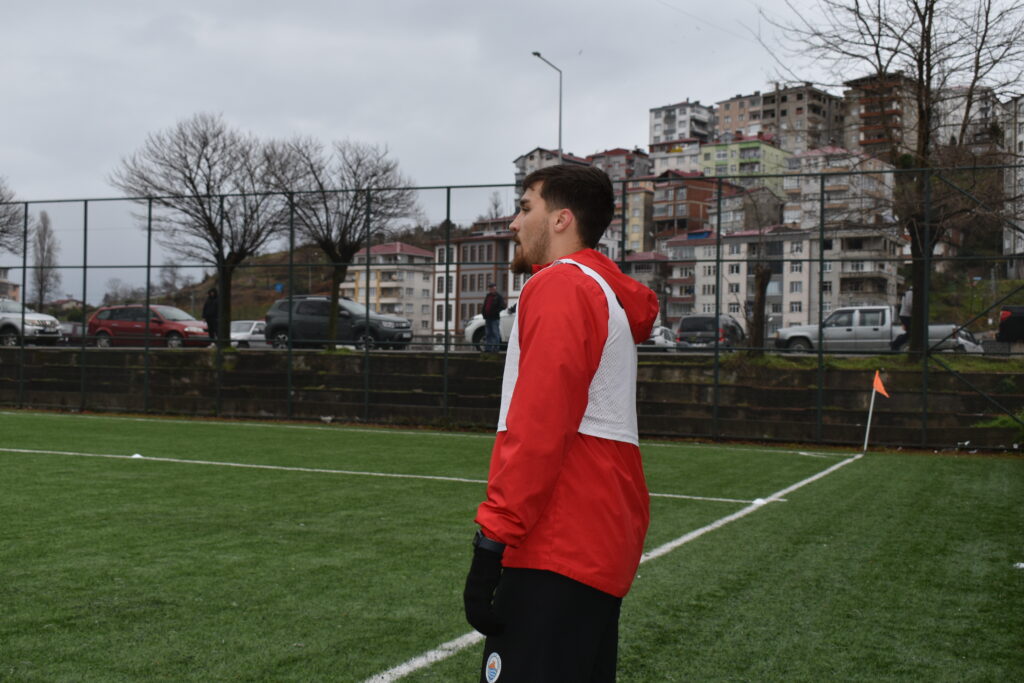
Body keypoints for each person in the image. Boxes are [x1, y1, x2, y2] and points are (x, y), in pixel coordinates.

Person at [463, 165, 659, 682]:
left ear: (561, 219)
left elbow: (540, 427)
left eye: (525, 207)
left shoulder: (561, 285)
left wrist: (492, 542)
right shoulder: (598, 288)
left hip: (558, 544)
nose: (513, 222)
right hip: (594, 544)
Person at [481, 282, 505, 352]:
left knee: (495, 333)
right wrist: (484, 313)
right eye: (490, 288)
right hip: (487, 318)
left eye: (492, 288)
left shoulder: (499, 297)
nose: (491, 289)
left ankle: (495, 348)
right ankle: (488, 348)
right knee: (488, 334)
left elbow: (502, 306)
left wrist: (495, 312)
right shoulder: (488, 296)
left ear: (495, 288)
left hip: (495, 318)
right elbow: (485, 305)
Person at [891, 287, 913, 351]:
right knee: (910, 333)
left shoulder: (908, 292)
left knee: (910, 333)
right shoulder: (910, 292)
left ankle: (896, 343)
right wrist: (913, 312)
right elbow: (909, 304)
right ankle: (895, 344)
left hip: (905, 314)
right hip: (906, 315)